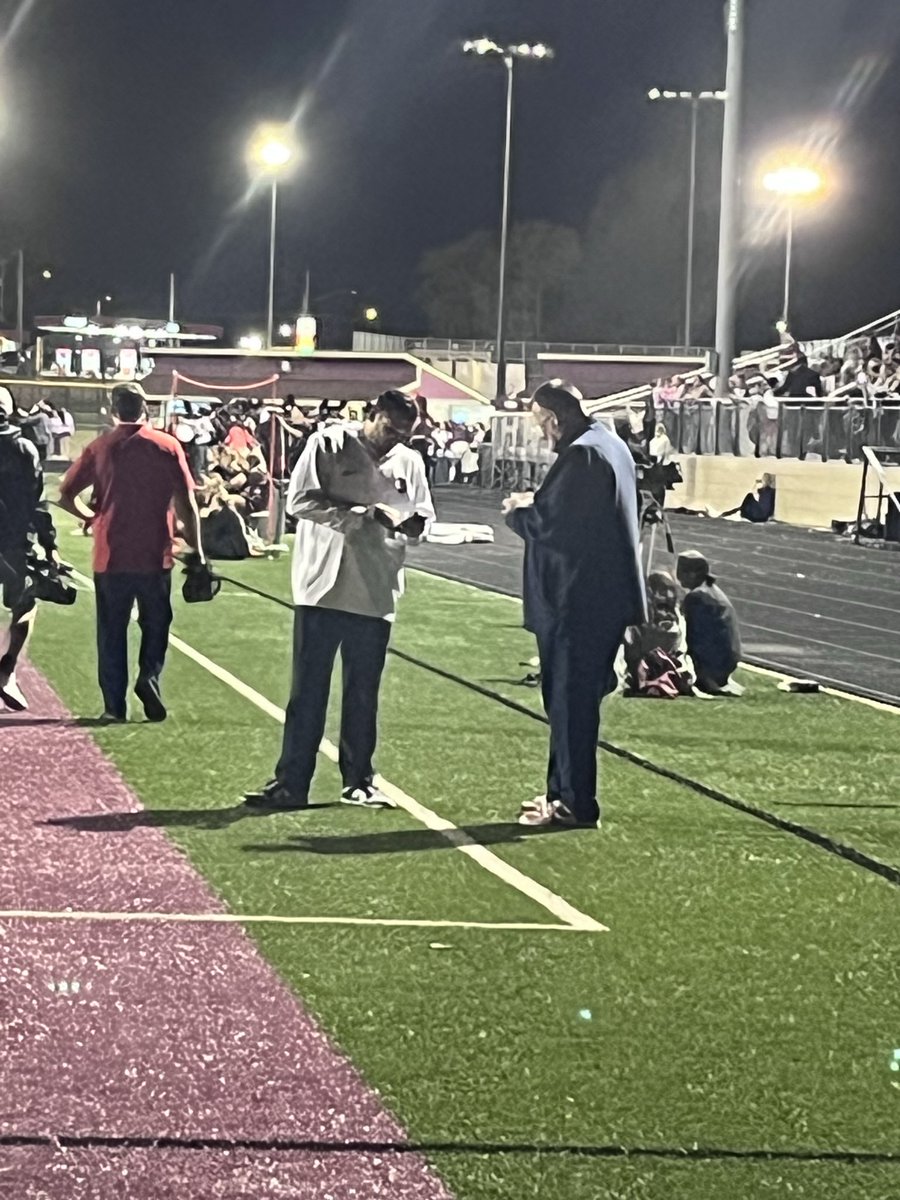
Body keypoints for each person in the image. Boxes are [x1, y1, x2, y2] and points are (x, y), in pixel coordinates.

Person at [245, 389, 434, 812]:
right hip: (322, 589)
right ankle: (292, 783)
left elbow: (424, 517)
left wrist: (413, 525)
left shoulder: (410, 462)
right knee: (307, 693)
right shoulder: (327, 444)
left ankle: (359, 780)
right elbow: (300, 502)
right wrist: (362, 516)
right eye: (390, 429)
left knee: (363, 694)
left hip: (376, 589)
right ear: (373, 415)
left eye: (404, 434)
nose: (395, 440)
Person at [503, 380, 645, 829]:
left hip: (577, 602)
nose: (540, 434)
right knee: (572, 703)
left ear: (554, 419)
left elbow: (555, 526)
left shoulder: (582, 454)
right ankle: (560, 791)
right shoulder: (610, 444)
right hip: (598, 601)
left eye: (540, 424)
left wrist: (517, 510)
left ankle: (574, 801)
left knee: (570, 705)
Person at [59, 384, 207, 723]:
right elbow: (187, 504)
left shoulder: (100, 447)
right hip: (155, 554)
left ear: (113, 409)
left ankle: (114, 706)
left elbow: (66, 494)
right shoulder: (167, 446)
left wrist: (91, 518)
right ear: (145, 408)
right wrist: (198, 551)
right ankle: (149, 677)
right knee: (156, 624)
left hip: (110, 555)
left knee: (111, 632)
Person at [0, 396, 46, 710]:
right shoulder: (24, 449)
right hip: (15, 542)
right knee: (25, 605)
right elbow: (37, 503)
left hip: (14, 541)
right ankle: (7, 669)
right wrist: (49, 543)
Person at [675, 550, 743, 696]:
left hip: (714, 663)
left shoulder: (696, 597)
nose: (679, 576)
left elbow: (694, 639)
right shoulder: (711, 591)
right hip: (727, 660)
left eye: (683, 571)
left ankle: (708, 680)